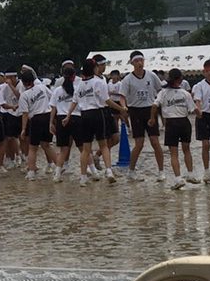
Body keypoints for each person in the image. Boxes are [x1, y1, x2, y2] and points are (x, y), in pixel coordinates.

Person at [63, 58, 123, 184]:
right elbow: (107, 100)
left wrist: (68, 115)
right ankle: (109, 171)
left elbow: (74, 101)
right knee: (104, 145)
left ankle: (83, 177)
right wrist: (121, 109)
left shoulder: (79, 84)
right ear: (94, 68)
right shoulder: (98, 82)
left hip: (84, 115)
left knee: (86, 148)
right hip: (98, 113)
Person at [118, 50, 166, 181]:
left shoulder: (151, 75)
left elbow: (161, 89)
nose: (139, 63)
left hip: (150, 110)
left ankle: (161, 171)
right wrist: (123, 107)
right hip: (135, 111)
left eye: (141, 60)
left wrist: (158, 102)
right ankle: (131, 171)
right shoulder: (127, 79)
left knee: (155, 142)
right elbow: (122, 96)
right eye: (137, 61)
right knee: (139, 143)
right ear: (132, 63)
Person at [151, 69, 200, 189]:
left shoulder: (163, 93)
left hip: (171, 123)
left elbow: (154, 105)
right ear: (180, 79)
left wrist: (152, 118)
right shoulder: (185, 93)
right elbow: (194, 110)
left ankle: (178, 178)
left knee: (174, 153)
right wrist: (201, 114)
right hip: (184, 122)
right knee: (186, 149)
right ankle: (190, 174)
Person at [18, 66, 58, 181]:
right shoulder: (42, 87)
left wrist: (23, 129)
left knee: (33, 147)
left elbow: (25, 114)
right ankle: (58, 167)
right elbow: (52, 99)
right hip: (47, 116)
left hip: (35, 119)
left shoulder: (24, 95)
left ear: (23, 83)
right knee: (47, 145)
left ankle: (31, 172)